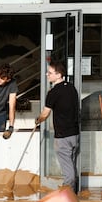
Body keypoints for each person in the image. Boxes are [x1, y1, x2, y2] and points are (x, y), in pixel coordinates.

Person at [35, 61, 80, 193]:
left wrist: (38, 120)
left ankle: (68, 193)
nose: (46, 74)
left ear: (59, 75)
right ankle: (72, 191)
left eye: (49, 73)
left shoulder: (53, 92)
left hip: (63, 135)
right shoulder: (71, 87)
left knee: (67, 167)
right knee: (71, 163)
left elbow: (45, 113)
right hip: (74, 133)